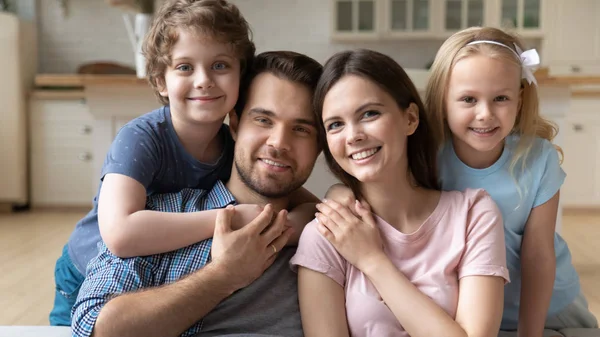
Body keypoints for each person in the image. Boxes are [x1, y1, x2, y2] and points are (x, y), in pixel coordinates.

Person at [50, 0, 316, 326]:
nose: (203, 80)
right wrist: (227, 219)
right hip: (85, 267)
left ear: (239, 76)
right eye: (185, 67)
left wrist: (292, 225)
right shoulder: (142, 138)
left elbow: (307, 205)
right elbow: (120, 234)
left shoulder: (237, 143)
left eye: (220, 66)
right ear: (161, 81)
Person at [290, 48, 510, 337]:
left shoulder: (474, 214)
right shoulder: (326, 235)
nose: (353, 135)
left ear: (410, 119)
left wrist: (373, 261)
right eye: (335, 125)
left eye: (369, 114)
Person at [425, 27, 598, 335]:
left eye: (501, 98)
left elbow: (538, 254)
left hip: (549, 310)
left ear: (519, 99)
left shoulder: (538, 158)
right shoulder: (426, 159)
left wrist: (528, 333)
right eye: (468, 99)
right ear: (442, 100)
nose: (485, 113)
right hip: (465, 315)